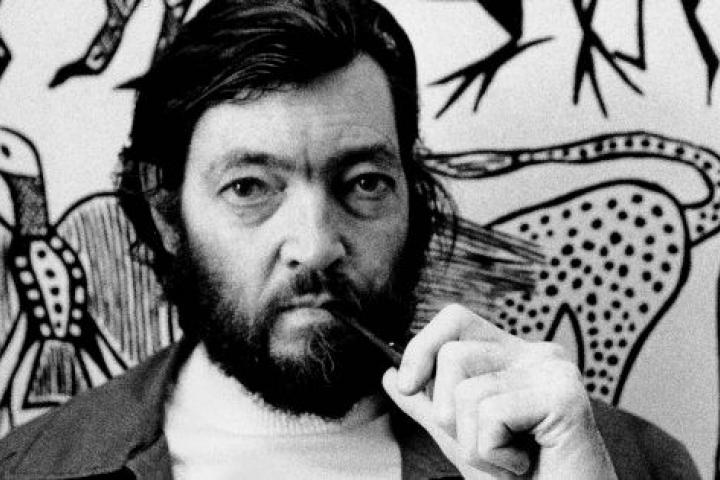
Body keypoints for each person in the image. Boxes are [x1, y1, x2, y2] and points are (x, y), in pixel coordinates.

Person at [0, 0, 700, 478]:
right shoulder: (34, 469)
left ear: (412, 196)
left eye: (364, 182)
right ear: (165, 214)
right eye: (249, 187)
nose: (315, 245)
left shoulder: (617, 461)